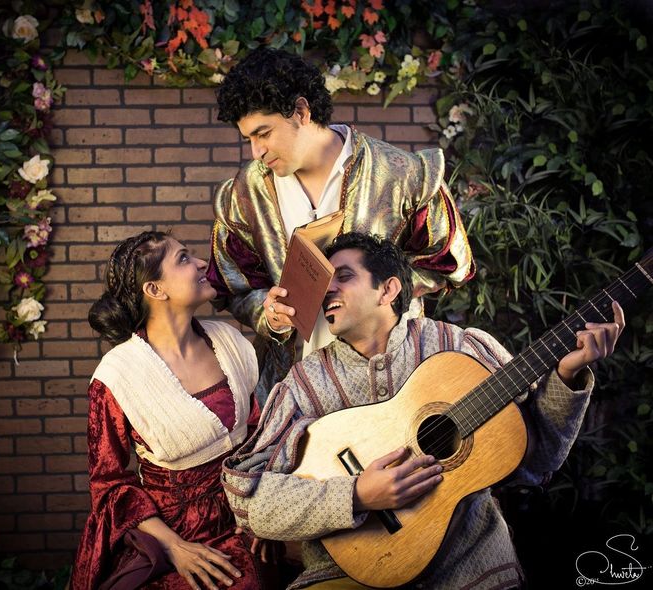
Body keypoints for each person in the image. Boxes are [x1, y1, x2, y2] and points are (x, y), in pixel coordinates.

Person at [221, 232, 625, 589]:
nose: (328, 290)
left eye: (343, 277)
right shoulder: (303, 385)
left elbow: (538, 462)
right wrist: (356, 495)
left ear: (389, 289)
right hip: (344, 574)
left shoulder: (461, 348)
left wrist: (567, 376)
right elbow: (247, 500)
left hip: (470, 569)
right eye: (325, 281)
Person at [208, 47, 475, 403]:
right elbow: (232, 285)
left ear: (301, 112)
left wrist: (383, 291)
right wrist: (268, 313)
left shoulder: (403, 174)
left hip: (395, 379)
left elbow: (450, 263)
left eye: (264, 133)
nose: (256, 151)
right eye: (248, 140)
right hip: (297, 388)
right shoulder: (244, 193)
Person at [70, 230, 278, 590]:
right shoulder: (117, 375)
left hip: (250, 514)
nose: (201, 263)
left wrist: (268, 513)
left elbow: (261, 436)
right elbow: (109, 485)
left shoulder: (230, 341)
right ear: (155, 290)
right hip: (174, 533)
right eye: (183, 258)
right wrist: (176, 548)